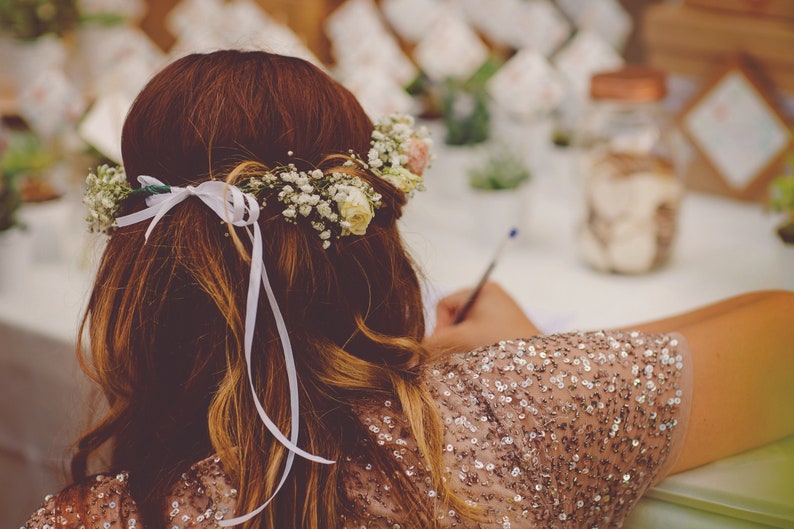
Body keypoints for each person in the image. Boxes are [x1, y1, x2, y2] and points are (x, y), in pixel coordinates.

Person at [23, 50, 794, 529]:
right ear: (372, 242)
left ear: (134, 276)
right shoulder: (510, 418)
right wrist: (533, 357)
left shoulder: (85, 519)